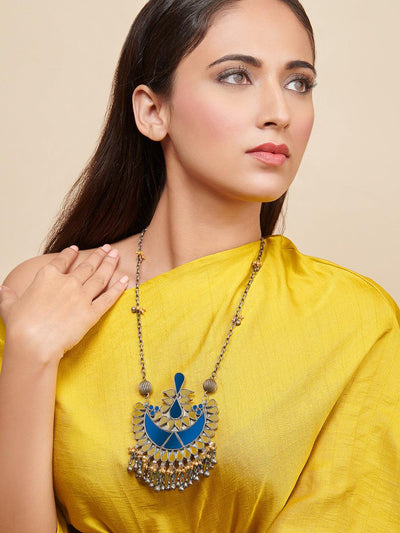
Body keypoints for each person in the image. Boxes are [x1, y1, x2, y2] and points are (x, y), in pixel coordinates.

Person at [0, 0, 399, 531]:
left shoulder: (355, 320)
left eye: (298, 83)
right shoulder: (46, 292)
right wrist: (28, 355)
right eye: (236, 76)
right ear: (152, 112)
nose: (279, 111)